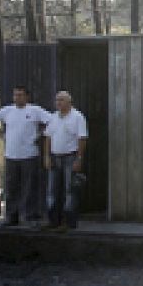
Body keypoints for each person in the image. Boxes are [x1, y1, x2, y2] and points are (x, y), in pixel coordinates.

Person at [0, 85, 49, 226]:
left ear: (27, 97)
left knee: (30, 186)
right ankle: (11, 216)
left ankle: (30, 215)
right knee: (11, 187)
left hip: (29, 154)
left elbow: (50, 121)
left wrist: (40, 134)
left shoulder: (35, 110)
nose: (17, 98)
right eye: (15, 95)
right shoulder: (7, 110)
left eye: (21, 95)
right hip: (11, 155)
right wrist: (0, 134)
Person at [42, 90, 89, 230]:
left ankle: (69, 222)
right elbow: (48, 137)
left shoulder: (77, 117)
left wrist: (79, 159)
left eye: (61, 100)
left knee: (70, 190)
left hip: (70, 156)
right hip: (55, 157)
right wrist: (46, 156)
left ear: (69, 102)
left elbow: (82, 139)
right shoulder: (53, 117)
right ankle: (53, 221)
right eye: (57, 100)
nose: (58, 103)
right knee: (52, 190)